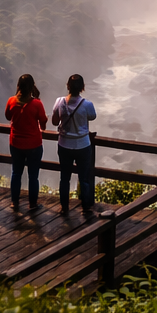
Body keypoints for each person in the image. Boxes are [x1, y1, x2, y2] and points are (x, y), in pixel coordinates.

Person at [51, 73, 98, 213]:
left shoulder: (59, 102)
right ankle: (86, 207)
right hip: (83, 145)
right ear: (82, 87)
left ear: (68, 86)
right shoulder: (87, 104)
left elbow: (54, 121)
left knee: (64, 177)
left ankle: (64, 207)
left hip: (64, 144)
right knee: (84, 177)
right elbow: (93, 116)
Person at [4, 74, 46, 212]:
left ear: (18, 86)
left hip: (16, 143)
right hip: (34, 144)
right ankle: (32, 204)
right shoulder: (37, 104)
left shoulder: (11, 101)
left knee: (16, 173)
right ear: (32, 86)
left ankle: (14, 202)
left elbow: (8, 116)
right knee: (33, 175)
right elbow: (43, 122)